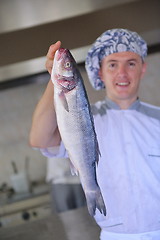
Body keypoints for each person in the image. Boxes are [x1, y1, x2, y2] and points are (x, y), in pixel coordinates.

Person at [29, 29, 160, 240]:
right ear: (100, 71)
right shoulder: (83, 118)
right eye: (112, 64)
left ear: (142, 69)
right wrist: (55, 77)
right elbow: (39, 139)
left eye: (131, 63)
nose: (122, 73)